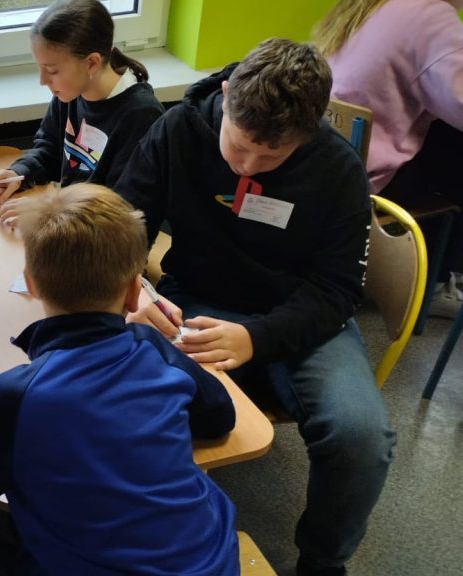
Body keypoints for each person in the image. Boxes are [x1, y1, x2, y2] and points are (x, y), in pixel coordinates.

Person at [118, 38, 397, 576]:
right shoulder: (177, 129)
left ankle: (322, 563)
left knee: (361, 438)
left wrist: (257, 338)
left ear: (309, 131)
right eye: (239, 144)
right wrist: (133, 284)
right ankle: (161, 547)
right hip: (196, 299)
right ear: (226, 95)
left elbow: (337, 290)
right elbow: (127, 221)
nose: (248, 166)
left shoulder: (339, 170)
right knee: (137, 409)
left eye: (271, 157)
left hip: (306, 317)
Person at [0, 183, 239, 575]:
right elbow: (219, 416)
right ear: (135, 292)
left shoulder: (9, 399)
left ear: (30, 283)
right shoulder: (154, 350)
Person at [314, 0, 463, 318]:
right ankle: (438, 283)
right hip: (364, 172)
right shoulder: (431, 15)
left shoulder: (376, 5)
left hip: (332, 154)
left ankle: (433, 275)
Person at [0, 0, 163, 207]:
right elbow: (49, 151)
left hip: (99, 224)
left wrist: (46, 213)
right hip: (68, 218)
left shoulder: (141, 116)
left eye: (52, 71)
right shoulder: (70, 92)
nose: (42, 81)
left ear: (91, 63)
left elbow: (120, 209)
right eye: (40, 68)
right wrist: (19, 172)